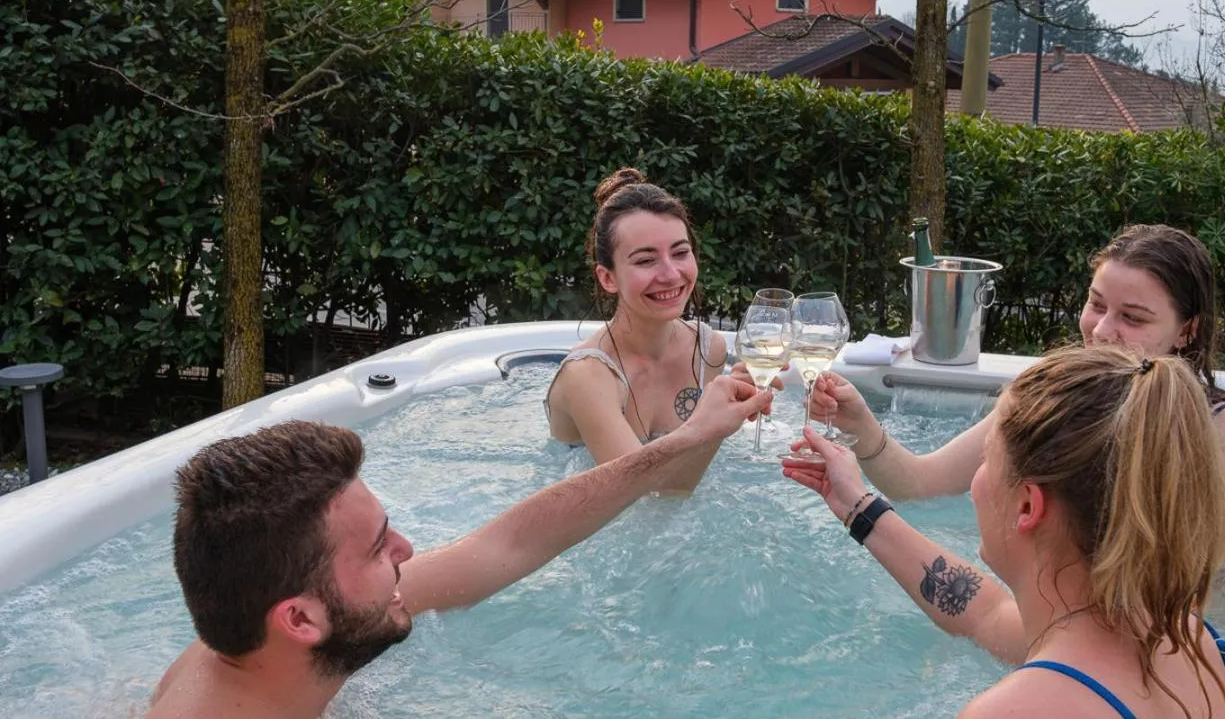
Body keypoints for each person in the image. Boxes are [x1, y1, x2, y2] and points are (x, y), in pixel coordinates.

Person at [146, 374, 769, 718]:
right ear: (300, 618)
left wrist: (687, 438)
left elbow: (511, 543)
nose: (407, 549)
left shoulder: (267, 633)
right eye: (376, 548)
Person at [784, 346, 1225, 719]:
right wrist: (857, 507)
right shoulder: (1191, 643)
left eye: (988, 459)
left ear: (1028, 505)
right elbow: (984, 613)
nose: (977, 478)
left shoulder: (1018, 710)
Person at [809, 223, 1225, 554]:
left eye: (1133, 318)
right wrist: (862, 429)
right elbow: (920, 486)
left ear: (1188, 330)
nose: (1102, 331)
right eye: (1096, 304)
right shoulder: (1048, 397)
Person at [546, 167, 728, 491]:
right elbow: (647, 499)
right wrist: (713, 427)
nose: (671, 274)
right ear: (608, 278)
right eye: (646, 260)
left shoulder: (708, 349)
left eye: (680, 252)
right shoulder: (587, 375)